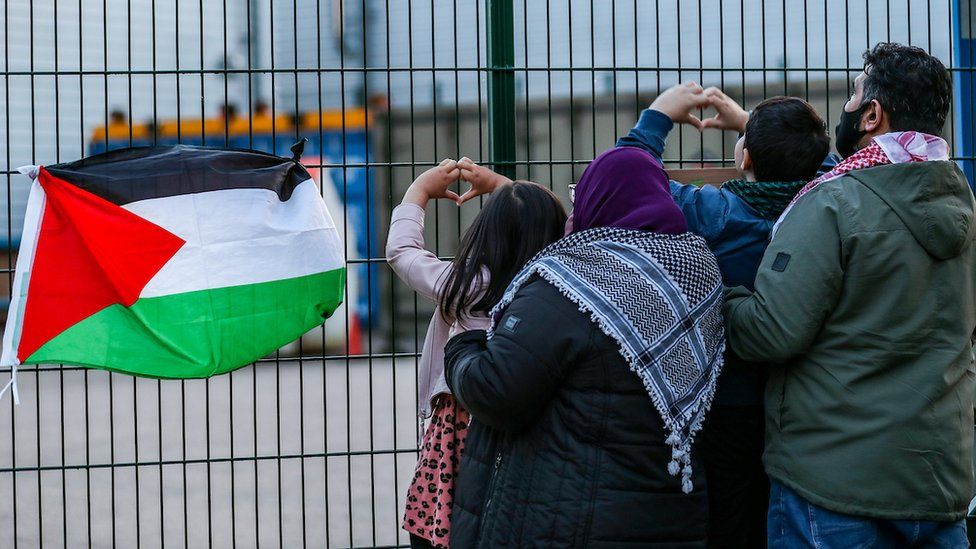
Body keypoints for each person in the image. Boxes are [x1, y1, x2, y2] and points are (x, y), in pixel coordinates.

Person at [723, 42, 975, 548]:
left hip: (836, 486)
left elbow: (772, 332)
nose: (848, 105)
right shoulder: (961, 202)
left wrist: (723, 300)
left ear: (872, 115)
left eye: (855, 95)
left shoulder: (834, 203)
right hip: (939, 482)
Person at [444, 146, 725, 548]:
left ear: (600, 200)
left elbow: (495, 390)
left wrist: (463, 346)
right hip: (668, 511)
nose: (572, 215)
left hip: (571, 516)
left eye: (581, 199)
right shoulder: (696, 271)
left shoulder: (570, 284)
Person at [616, 82, 831, 547]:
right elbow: (827, 166)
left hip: (725, 395)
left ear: (745, 158)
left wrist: (657, 116)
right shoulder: (824, 201)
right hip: (800, 395)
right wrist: (748, 123)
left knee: (728, 511)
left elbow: (630, 177)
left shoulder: (713, 211)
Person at [386, 158, 567, 549]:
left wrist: (418, 192)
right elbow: (545, 223)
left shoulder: (470, 283)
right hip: (527, 422)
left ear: (486, 232)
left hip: (460, 421)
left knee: (446, 512)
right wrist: (509, 188)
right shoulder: (554, 284)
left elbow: (402, 252)